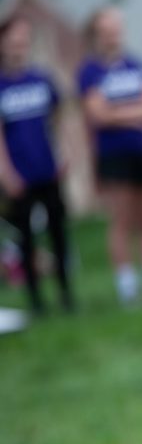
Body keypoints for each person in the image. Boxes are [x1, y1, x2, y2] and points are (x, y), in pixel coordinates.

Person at [79, 7, 142, 306]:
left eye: (116, 28)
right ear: (97, 34)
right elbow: (98, 114)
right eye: (107, 30)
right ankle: (128, 289)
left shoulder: (136, 64)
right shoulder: (90, 71)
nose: (113, 35)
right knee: (121, 221)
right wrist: (135, 110)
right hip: (113, 156)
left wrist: (121, 112)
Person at [0, 16, 74, 316]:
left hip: (48, 170)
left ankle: (67, 295)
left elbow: (58, 115)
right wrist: (6, 173)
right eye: (14, 41)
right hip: (20, 174)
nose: (20, 47)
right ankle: (36, 301)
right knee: (25, 237)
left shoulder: (41, 79)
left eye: (24, 41)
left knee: (58, 232)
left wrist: (63, 150)